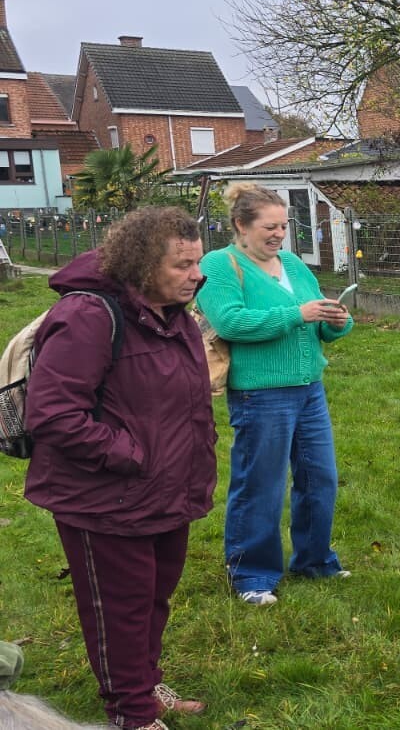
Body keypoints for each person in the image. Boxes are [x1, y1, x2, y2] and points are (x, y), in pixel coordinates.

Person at [23, 207, 216, 729]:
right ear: (142, 264)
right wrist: (130, 456)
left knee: (153, 599)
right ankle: (131, 713)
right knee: (119, 609)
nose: (196, 274)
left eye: (197, 261)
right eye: (182, 265)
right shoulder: (90, 316)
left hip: (165, 492)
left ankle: (146, 687)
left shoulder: (174, 318)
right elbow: (53, 413)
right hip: (104, 497)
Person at [196, 183, 354, 605]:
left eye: (283, 226)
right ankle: (252, 575)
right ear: (240, 226)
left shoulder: (293, 265)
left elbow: (316, 321)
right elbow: (230, 322)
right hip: (261, 395)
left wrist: (335, 321)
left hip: (309, 390)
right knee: (260, 485)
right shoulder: (221, 265)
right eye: (269, 226)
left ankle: (315, 560)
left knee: (319, 479)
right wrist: (295, 314)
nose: (279, 234)